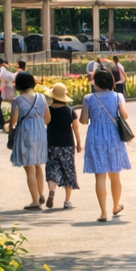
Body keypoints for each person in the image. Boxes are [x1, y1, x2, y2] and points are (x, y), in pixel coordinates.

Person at [80, 69, 130, 222]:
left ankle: (103, 212)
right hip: (113, 136)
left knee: (100, 176)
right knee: (115, 175)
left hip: (95, 136)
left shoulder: (89, 98)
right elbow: (125, 115)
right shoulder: (118, 96)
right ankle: (115, 206)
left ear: (96, 83)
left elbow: (83, 120)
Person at [8, 71, 48, 211]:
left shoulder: (18, 100)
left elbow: (13, 121)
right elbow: (47, 118)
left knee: (29, 168)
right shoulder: (41, 97)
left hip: (25, 131)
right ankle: (40, 194)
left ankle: (35, 201)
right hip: (40, 131)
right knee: (38, 165)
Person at [44, 82, 81, 210]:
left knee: (52, 169)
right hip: (67, 144)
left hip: (51, 143)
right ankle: (67, 200)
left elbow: (45, 123)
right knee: (68, 170)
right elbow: (75, 128)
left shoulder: (48, 110)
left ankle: (51, 191)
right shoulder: (70, 111)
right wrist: (79, 143)